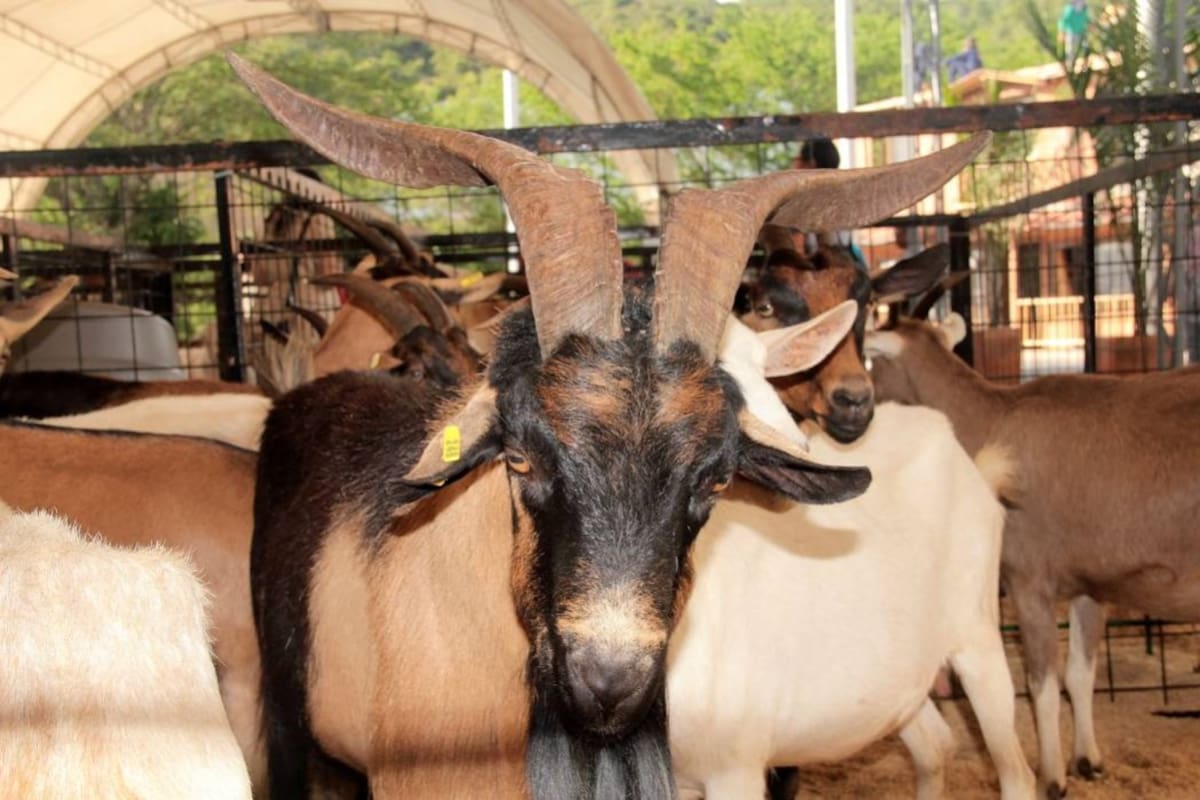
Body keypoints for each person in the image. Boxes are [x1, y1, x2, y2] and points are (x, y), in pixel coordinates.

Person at [791, 138, 867, 268]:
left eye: (799, 161)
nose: (795, 165)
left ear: (811, 164)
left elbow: (798, 247)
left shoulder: (808, 198)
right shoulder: (844, 191)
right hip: (848, 263)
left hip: (821, 268)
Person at [1057, 0, 1089, 65]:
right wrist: (1061, 32)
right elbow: (1063, 21)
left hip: (1081, 32)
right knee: (1070, 50)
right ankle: (1070, 64)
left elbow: (1088, 19)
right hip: (1071, 33)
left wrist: (1091, 25)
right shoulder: (1069, 10)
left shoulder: (1084, 9)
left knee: (1086, 47)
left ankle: (1086, 63)